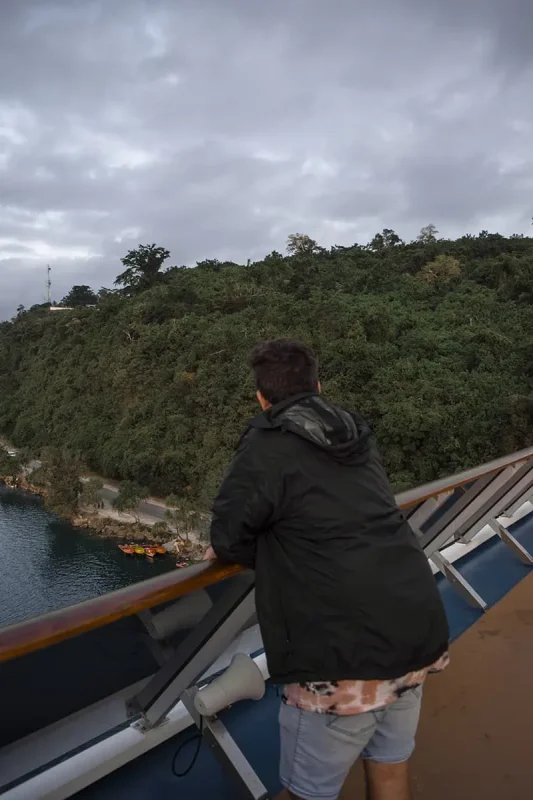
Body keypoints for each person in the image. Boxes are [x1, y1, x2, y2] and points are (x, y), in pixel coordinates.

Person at [204, 339, 449, 800]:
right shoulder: (354, 434)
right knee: (390, 769)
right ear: (319, 384)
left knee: (304, 793)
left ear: (261, 397)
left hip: (340, 654)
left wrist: (277, 551)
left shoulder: (267, 445)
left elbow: (228, 539)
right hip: (413, 631)